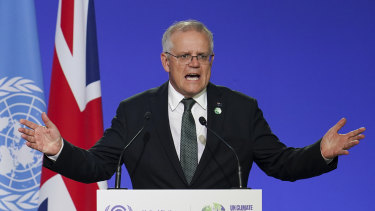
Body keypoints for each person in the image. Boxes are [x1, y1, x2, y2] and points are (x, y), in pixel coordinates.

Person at [19, 20, 365, 189]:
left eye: (202, 56)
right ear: (165, 61)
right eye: (184, 56)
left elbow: (281, 163)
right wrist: (59, 149)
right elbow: (99, 166)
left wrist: (320, 152)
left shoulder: (241, 110)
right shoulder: (137, 111)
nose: (194, 64)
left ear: (212, 60)